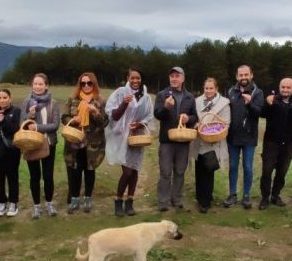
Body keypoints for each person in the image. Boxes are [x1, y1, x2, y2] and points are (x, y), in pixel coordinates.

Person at [105, 68, 155, 217]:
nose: (135, 81)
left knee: (135, 170)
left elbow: (149, 115)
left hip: (137, 136)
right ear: (127, 78)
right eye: (132, 78)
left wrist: (139, 124)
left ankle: (130, 203)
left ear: (141, 79)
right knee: (127, 171)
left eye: (138, 78)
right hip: (122, 136)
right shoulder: (120, 93)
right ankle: (118, 201)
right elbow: (113, 115)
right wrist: (124, 104)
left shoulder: (145, 96)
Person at [62, 73, 109, 214]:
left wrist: (95, 112)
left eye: (89, 83)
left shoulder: (100, 101)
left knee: (90, 170)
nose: (86, 86)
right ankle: (75, 199)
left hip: (93, 144)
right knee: (75, 170)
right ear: (80, 84)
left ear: (94, 84)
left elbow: (105, 122)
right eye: (83, 83)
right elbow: (64, 118)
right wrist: (74, 120)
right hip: (74, 142)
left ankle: (88, 199)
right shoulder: (72, 99)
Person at [153, 66, 198, 211]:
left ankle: (176, 198)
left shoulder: (190, 97)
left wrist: (188, 118)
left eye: (177, 76)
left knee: (180, 171)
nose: (174, 78)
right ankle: (163, 202)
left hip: (183, 141)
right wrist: (166, 107)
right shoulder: (162, 94)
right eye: (172, 76)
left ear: (183, 78)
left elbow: (195, 117)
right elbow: (157, 115)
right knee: (165, 172)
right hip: (167, 141)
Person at [223, 64, 264, 209]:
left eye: (246, 75)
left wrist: (250, 103)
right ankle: (232, 194)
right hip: (233, 137)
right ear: (237, 77)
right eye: (241, 75)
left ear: (251, 75)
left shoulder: (257, 93)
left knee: (247, 167)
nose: (243, 78)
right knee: (233, 166)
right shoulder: (231, 92)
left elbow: (259, 112)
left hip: (249, 138)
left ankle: (246, 196)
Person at [22, 73, 61, 219]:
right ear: (32, 85)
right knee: (34, 176)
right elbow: (23, 124)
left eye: (40, 84)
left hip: (49, 143)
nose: (37, 86)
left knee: (48, 176)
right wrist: (30, 116)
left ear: (46, 86)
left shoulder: (53, 103)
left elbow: (55, 125)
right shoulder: (27, 101)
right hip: (31, 144)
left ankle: (50, 204)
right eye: (35, 84)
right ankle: (36, 206)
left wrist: (37, 126)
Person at [191, 78, 231, 213]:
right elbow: (194, 118)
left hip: (213, 141)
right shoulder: (196, 102)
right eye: (206, 88)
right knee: (199, 170)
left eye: (211, 88)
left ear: (216, 89)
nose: (208, 91)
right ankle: (199, 197)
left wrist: (212, 129)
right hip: (199, 140)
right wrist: (199, 127)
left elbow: (226, 122)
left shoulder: (224, 104)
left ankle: (206, 201)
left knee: (208, 172)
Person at [259, 77, 292, 209]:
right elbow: (262, 113)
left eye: (288, 88)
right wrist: (267, 101)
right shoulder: (272, 101)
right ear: (279, 88)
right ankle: (265, 198)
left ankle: (276, 195)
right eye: (283, 87)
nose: (285, 90)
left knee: (282, 172)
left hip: (287, 144)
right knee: (267, 171)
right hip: (271, 143)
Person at [0, 88, 22, 217]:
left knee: (12, 178)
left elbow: (16, 129)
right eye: (0, 98)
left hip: (11, 151)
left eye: (5, 97)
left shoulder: (16, 111)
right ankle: (1, 202)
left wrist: (4, 121)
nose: (2, 100)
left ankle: (13, 203)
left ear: (10, 99)